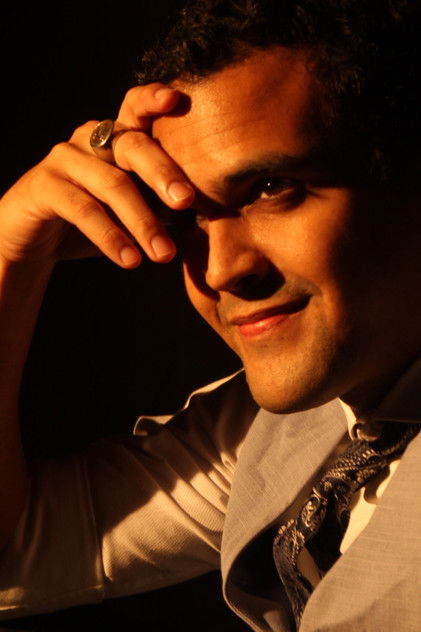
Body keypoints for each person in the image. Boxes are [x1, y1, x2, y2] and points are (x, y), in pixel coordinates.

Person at [0, 0, 420, 630]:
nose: (220, 270)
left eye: (271, 189)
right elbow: (14, 558)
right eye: (186, 217)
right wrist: (12, 253)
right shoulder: (285, 429)